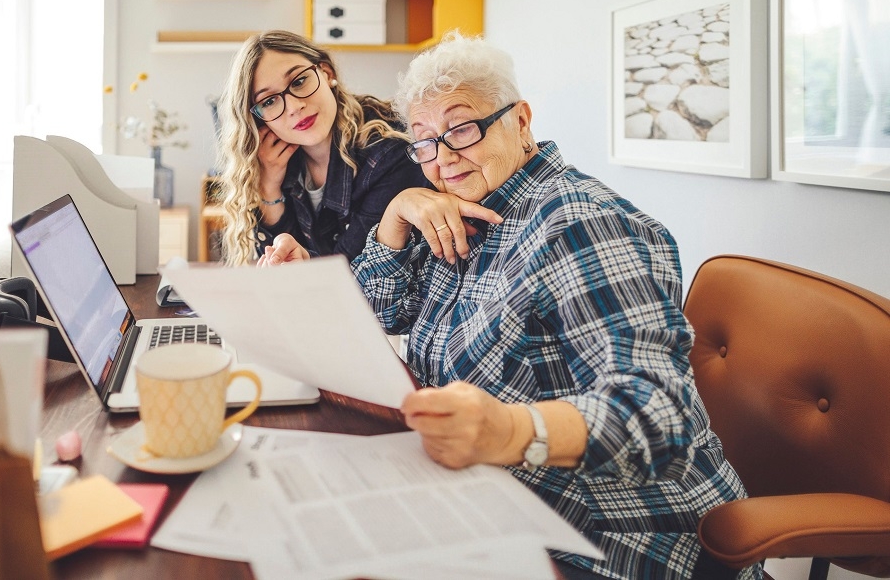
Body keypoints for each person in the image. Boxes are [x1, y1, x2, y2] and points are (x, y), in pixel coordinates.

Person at [262, 32, 759, 580]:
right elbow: (383, 314)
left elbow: (663, 416)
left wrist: (510, 431)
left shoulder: (578, 224)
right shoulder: (472, 215)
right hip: (496, 503)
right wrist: (393, 220)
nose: (443, 158)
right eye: (424, 141)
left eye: (463, 128)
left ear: (520, 120)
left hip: (612, 543)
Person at [214, 30, 428, 266]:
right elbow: (282, 265)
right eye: (269, 101)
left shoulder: (388, 152)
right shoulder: (277, 159)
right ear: (258, 119)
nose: (294, 106)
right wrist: (269, 188)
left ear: (326, 74)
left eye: (299, 81)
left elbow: (351, 273)